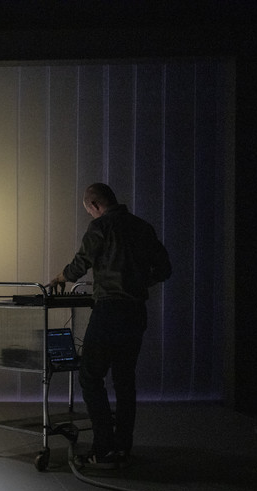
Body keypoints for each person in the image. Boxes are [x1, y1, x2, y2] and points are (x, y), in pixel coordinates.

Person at [48, 183, 171, 469]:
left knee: (90, 377)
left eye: (89, 210)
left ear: (94, 205)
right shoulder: (142, 227)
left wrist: (60, 277)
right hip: (136, 312)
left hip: (109, 311)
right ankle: (122, 448)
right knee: (125, 381)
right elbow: (165, 269)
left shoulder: (100, 226)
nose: (90, 215)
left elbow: (80, 264)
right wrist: (139, 282)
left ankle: (102, 449)